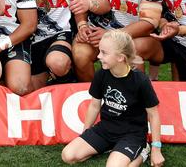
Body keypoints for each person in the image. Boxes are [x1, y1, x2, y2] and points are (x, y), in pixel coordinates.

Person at [61, 30, 165, 167]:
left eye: (104, 53)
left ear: (120, 57)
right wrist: (85, 134)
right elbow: (94, 105)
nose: (98, 56)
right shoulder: (101, 74)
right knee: (68, 156)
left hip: (132, 135)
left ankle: (143, 152)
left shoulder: (140, 80)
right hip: (105, 130)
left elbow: (153, 114)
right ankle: (110, 148)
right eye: (99, 51)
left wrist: (157, 148)